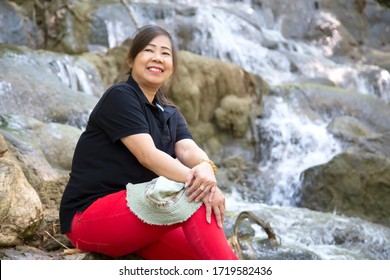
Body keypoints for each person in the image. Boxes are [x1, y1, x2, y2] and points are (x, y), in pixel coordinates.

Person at [59, 24, 238, 260]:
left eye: (165, 53)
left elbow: (187, 148)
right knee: (193, 195)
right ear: (131, 60)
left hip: (139, 219)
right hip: (88, 218)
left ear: (172, 66)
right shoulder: (120, 97)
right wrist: (201, 184)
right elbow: (148, 155)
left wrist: (207, 168)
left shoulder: (170, 112)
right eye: (149, 50)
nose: (158, 58)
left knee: (203, 255)